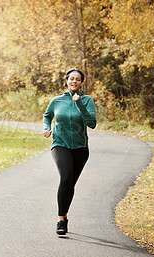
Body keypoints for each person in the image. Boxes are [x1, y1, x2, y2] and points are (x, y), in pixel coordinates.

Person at [43, 68, 97, 235]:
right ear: (66, 81)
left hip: (81, 148)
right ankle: (60, 221)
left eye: (78, 79)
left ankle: (65, 217)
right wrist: (46, 128)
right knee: (65, 178)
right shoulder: (57, 100)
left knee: (70, 184)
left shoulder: (87, 100)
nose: (74, 81)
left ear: (81, 83)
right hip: (60, 144)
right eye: (71, 78)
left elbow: (92, 123)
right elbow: (47, 116)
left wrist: (79, 102)